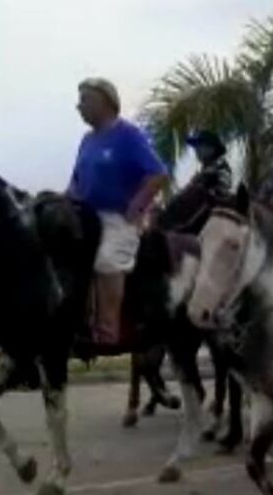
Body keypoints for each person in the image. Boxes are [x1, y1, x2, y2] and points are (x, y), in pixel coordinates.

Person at [68, 78, 168, 346]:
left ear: (106, 102)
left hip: (118, 218)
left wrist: (137, 204)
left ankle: (107, 330)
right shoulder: (87, 140)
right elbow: (76, 181)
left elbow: (158, 173)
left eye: (85, 99)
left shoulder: (128, 135)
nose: (79, 106)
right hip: (86, 215)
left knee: (107, 260)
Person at [185, 130, 233, 200]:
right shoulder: (205, 170)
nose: (196, 149)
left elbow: (224, 188)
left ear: (212, 148)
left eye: (200, 145)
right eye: (195, 146)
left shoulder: (220, 166)